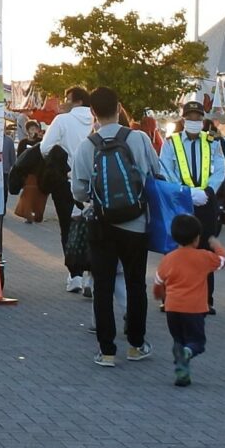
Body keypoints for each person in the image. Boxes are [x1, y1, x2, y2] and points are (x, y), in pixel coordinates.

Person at [77, 88, 159, 367]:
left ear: (93, 113)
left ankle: (107, 351)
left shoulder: (87, 145)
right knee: (136, 284)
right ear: (119, 107)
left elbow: (78, 190)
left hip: (102, 225)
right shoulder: (138, 138)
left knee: (103, 286)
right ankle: (136, 345)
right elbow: (155, 173)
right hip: (136, 224)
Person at [159, 101, 225, 303]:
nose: (194, 120)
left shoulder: (212, 141)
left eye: (198, 116)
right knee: (175, 248)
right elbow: (166, 169)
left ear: (203, 119)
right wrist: (185, 192)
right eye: (190, 116)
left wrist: (207, 191)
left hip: (206, 201)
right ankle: (170, 296)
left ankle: (207, 299)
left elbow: (220, 169)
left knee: (206, 248)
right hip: (181, 200)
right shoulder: (171, 142)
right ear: (184, 118)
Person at [154, 213, 223, 387]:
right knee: (197, 343)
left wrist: (160, 295)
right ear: (197, 238)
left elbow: (158, 282)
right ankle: (186, 353)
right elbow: (223, 262)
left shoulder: (168, 259)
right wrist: (218, 247)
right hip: (194, 309)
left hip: (172, 308)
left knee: (179, 339)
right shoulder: (204, 257)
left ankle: (182, 373)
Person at [47, 89, 95, 294]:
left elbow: (45, 147)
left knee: (68, 227)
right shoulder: (97, 120)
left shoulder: (62, 120)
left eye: (68, 99)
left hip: (66, 181)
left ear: (77, 101)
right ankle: (92, 277)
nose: (65, 102)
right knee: (94, 229)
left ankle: (74, 275)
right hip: (95, 183)